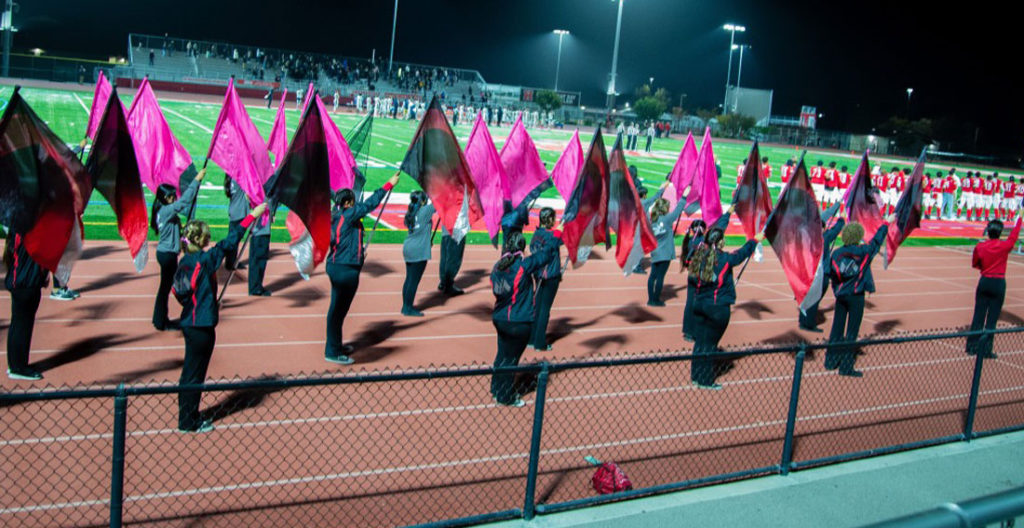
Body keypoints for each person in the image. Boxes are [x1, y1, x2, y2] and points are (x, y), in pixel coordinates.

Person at [176, 202, 266, 432]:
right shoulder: (204, 261)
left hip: (190, 321)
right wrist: (251, 217)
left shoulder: (184, 262)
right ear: (200, 241)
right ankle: (189, 421)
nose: (209, 240)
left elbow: (179, 292)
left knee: (190, 372)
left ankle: (188, 415)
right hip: (202, 325)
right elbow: (231, 240)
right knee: (195, 375)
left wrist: (205, 301)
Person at [324, 172, 400, 364]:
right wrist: (387, 185)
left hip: (338, 264)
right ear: (349, 203)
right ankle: (332, 351)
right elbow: (370, 204)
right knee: (337, 311)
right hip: (345, 269)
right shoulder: (349, 214)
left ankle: (336, 345)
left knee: (337, 311)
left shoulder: (337, 214)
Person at [687, 214, 762, 389]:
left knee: (700, 342)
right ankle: (705, 380)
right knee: (710, 344)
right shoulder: (725, 259)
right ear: (720, 243)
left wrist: (727, 214)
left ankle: (696, 375)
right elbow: (742, 253)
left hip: (698, 304)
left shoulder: (698, 255)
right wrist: (754, 240)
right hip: (717, 307)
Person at [490, 231, 559, 407]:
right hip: (518, 322)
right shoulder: (523, 265)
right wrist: (555, 236)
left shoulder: (497, 266)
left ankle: (496, 389)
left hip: (500, 318)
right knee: (511, 360)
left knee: (502, 356)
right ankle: (506, 396)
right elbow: (545, 256)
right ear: (522, 247)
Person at [824, 218, 892, 377]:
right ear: (858, 236)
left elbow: (830, 273)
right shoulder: (863, 252)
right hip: (856, 296)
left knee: (837, 329)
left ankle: (831, 361)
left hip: (840, 296)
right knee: (851, 332)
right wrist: (886, 224)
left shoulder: (836, 253)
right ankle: (846, 367)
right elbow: (876, 241)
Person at [152, 170, 204, 331]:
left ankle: (160, 319)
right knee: (172, 287)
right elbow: (184, 202)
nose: (175, 198)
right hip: (167, 254)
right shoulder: (166, 211)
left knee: (165, 288)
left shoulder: (162, 212)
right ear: (166, 198)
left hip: (166, 252)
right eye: (173, 196)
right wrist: (196, 181)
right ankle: (163, 320)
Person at [967, 216, 1022, 358]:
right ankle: (986, 349)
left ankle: (972, 346)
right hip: (998, 283)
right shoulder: (1004, 246)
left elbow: (975, 264)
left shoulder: (980, 247)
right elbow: (1013, 236)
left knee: (978, 315)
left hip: (984, 280)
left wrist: (985, 268)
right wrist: (1019, 220)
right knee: (992, 319)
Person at [4, 227, 49, 380]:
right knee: (22, 323)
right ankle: (18, 367)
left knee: (20, 323)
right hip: (25, 282)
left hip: (24, 280)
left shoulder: (22, 226)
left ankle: (17, 364)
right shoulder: (27, 227)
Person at [798, 218, 846, 332]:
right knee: (815, 299)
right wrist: (841, 220)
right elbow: (835, 231)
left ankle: (803, 320)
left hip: (809, 273)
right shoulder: (823, 238)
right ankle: (809, 324)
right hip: (821, 274)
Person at [529, 207, 563, 351]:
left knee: (537, 307)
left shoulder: (536, 234)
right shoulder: (552, 236)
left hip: (538, 274)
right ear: (549, 219)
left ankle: (531, 339)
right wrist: (561, 229)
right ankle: (540, 342)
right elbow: (556, 241)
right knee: (544, 310)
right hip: (550, 276)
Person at [647, 191, 687, 307]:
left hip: (655, 252)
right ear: (664, 209)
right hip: (665, 253)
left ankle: (651, 299)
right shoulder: (667, 219)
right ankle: (655, 300)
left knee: (653, 276)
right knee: (660, 277)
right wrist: (684, 196)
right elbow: (678, 210)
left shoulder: (652, 220)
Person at [401, 191, 434, 316]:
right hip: (418, 249)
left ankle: (406, 305)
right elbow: (439, 203)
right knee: (413, 281)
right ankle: (408, 308)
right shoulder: (425, 211)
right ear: (424, 201)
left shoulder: (411, 212)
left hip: (409, 247)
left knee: (409, 278)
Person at [680, 219, 708, 342]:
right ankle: (697, 330)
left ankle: (688, 331)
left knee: (690, 302)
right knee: (700, 303)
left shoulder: (689, 241)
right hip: (699, 275)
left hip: (691, 273)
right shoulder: (703, 243)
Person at [223, 177, 249, 271]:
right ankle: (231, 263)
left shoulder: (231, 181)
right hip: (239, 213)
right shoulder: (238, 180)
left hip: (235, 212)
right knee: (234, 239)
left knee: (234, 238)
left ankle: (231, 261)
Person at [248, 211, 272, 297]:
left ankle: (255, 286)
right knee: (259, 260)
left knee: (257, 260)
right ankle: (255, 288)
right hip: (261, 231)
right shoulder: (264, 198)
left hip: (259, 231)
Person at [437, 224, 466, 295]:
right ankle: (448, 285)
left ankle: (443, 282)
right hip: (456, 231)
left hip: (447, 231)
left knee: (445, 257)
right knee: (454, 259)